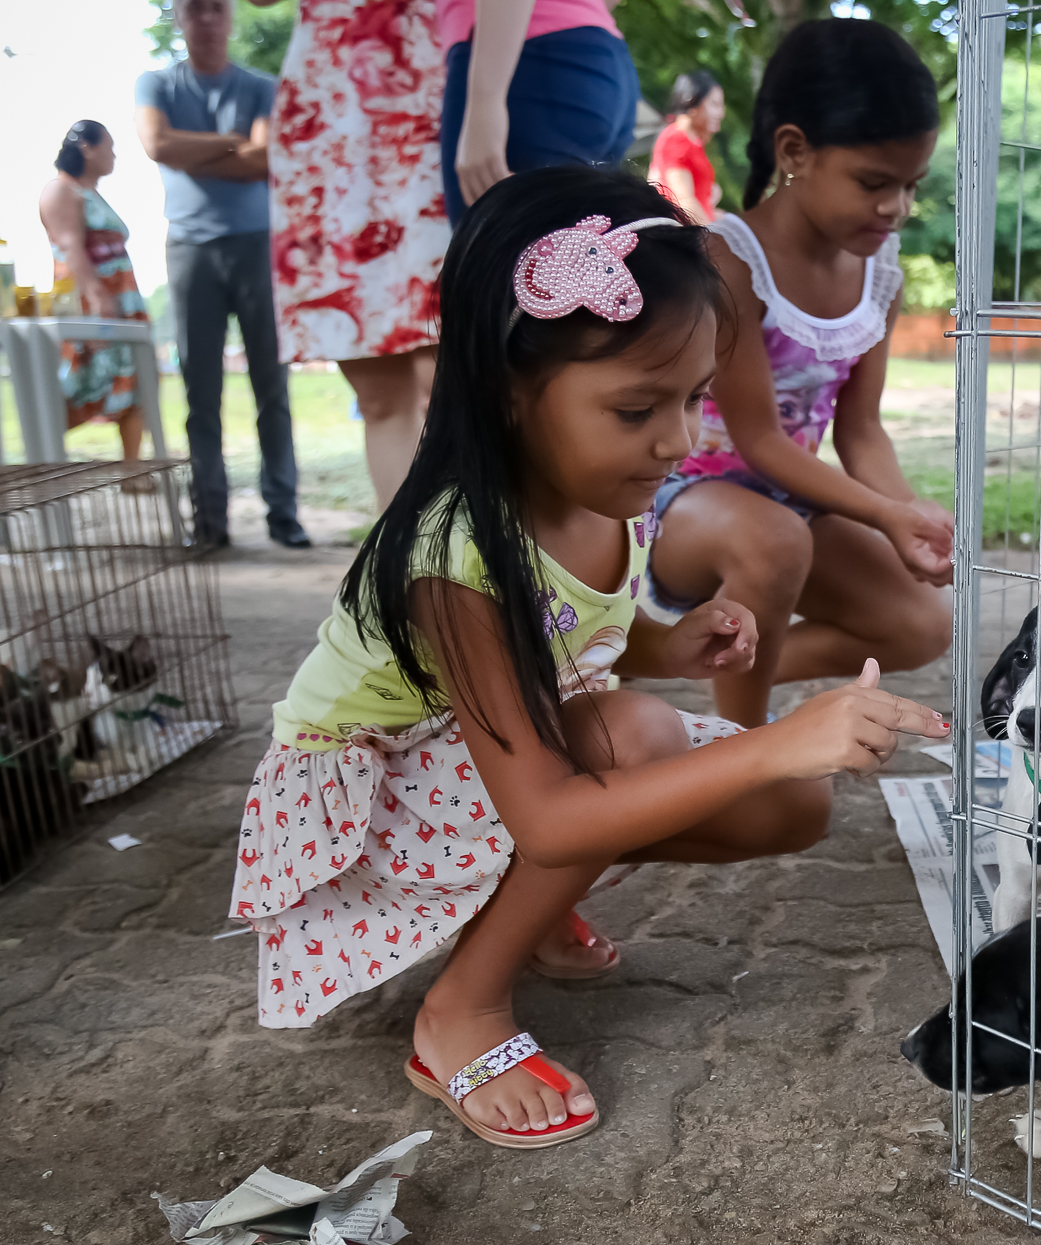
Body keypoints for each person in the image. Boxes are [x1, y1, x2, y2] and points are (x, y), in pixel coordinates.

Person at [229, 167, 948, 1145]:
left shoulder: (601, 498)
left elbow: (574, 637)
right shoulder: (457, 557)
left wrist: (671, 640)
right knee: (636, 740)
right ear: (511, 389)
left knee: (795, 804)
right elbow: (554, 812)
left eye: (693, 399)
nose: (679, 440)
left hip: (489, 761)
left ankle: (516, 904)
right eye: (637, 408)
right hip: (370, 802)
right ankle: (462, 1009)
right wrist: (776, 737)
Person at [647, 20, 954, 728]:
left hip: (786, 504)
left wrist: (907, 516)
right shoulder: (729, 260)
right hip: (680, 504)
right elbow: (758, 440)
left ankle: (690, 659)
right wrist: (882, 516)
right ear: (795, 151)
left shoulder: (880, 274)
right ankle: (741, 740)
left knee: (920, 623)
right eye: (873, 182)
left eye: (911, 185)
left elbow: (863, 431)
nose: (895, 208)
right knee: (775, 540)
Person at [259, 0, 451, 512]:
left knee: (456, 374)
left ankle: (490, 559)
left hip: (437, 98)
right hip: (333, 117)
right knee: (378, 393)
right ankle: (415, 572)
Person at [137, 0, 310, 550]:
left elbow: (266, 159)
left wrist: (196, 152)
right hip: (188, 247)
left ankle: (283, 513)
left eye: (216, 9)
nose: (207, 19)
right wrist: (233, 142)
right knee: (200, 391)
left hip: (256, 244)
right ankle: (210, 521)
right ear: (180, 20)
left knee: (272, 386)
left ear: (230, 18)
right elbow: (156, 144)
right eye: (194, 10)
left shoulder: (260, 85)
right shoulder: (156, 83)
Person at [437, 0, 639, 225]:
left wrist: (487, 100)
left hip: (526, 60)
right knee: (578, 249)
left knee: (496, 250)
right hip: (599, 61)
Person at [38, 122, 150, 462]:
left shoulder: (94, 194)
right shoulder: (61, 190)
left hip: (122, 302)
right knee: (78, 385)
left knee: (136, 384)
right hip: (91, 305)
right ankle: (41, 462)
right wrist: (99, 298)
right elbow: (70, 246)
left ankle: (133, 472)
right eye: (109, 147)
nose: (113, 155)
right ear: (87, 146)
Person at [648, 70, 724, 226]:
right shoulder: (676, 140)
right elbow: (684, 202)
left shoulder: (690, 141)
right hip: (691, 239)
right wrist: (714, 239)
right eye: (715, 105)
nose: (721, 113)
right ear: (693, 102)